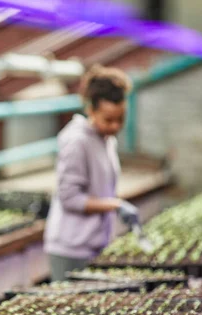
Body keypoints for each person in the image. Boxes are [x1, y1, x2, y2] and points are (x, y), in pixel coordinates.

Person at [43, 64, 140, 282]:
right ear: (90, 109)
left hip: (94, 244)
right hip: (71, 247)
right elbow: (69, 198)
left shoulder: (106, 139)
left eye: (120, 119)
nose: (114, 126)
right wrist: (115, 205)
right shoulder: (77, 141)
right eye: (108, 119)